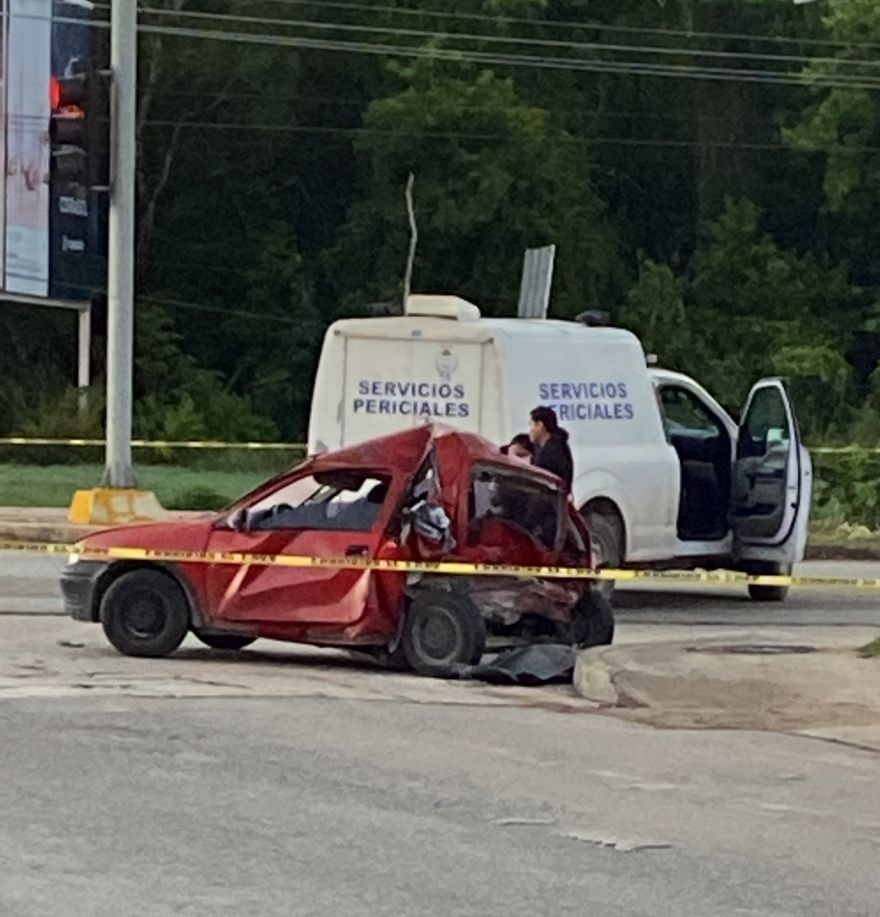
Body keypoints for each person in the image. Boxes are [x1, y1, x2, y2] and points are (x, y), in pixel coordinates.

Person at [528, 406, 574, 494]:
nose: (530, 430)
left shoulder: (555, 449)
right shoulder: (540, 448)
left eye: (531, 424)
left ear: (540, 425)